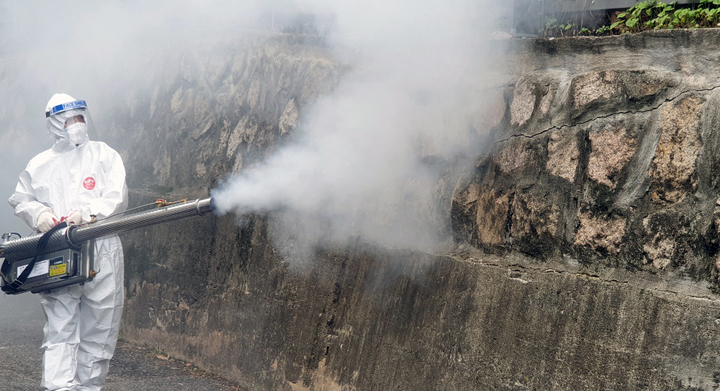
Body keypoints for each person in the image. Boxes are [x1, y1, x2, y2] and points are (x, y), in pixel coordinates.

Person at [8, 93, 128, 391]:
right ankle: (60, 388)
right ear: (54, 124)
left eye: (80, 117)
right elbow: (21, 198)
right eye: (70, 119)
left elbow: (117, 197)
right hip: (57, 248)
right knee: (61, 329)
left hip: (101, 245)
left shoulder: (104, 155)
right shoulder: (40, 164)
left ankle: (88, 388)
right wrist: (40, 215)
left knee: (100, 330)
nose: (77, 124)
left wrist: (87, 214)